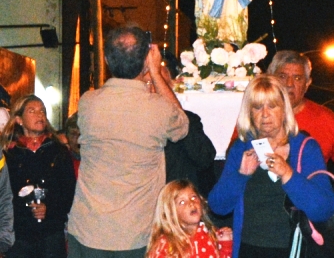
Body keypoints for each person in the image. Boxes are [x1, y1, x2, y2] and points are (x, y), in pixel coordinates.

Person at [68, 26, 189, 258]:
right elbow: (182, 128)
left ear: (106, 59)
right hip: (134, 234)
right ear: (145, 60)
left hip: (88, 228)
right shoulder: (158, 108)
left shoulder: (88, 102)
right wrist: (155, 72)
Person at [208, 75, 334, 258]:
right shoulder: (242, 148)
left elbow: (324, 209)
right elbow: (218, 206)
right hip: (248, 249)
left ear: (284, 109)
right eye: (258, 107)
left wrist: (289, 174)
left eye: (272, 106)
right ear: (250, 112)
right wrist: (240, 175)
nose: (265, 114)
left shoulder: (305, 148)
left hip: (292, 251)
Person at [266, 51, 334, 241]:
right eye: (282, 76)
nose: (289, 84)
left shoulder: (326, 119)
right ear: (271, 79)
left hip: (312, 228)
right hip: (262, 228)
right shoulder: (256, 114)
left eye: (297, 78)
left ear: (307, 84)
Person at [1, 95, 75, 258]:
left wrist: (50, 209)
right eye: (32, 111)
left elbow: (69, 192)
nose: (39, 115)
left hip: (50, 234)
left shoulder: (58, 151)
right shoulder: (10, 154)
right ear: (19, 119)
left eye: (42, 110)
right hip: (19, 235)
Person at [150, 56, 216, 194]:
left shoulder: (189, 119)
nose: (153, 91)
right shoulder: (135, 123)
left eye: (160, 86)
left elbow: (205, 158)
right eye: (148, 85)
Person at [146, 180, 232, 258]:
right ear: (171, 213)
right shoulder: (165, 244)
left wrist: (225, 244)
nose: (191, 203)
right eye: (182, 202)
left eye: (194, 197)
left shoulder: (212, 234)